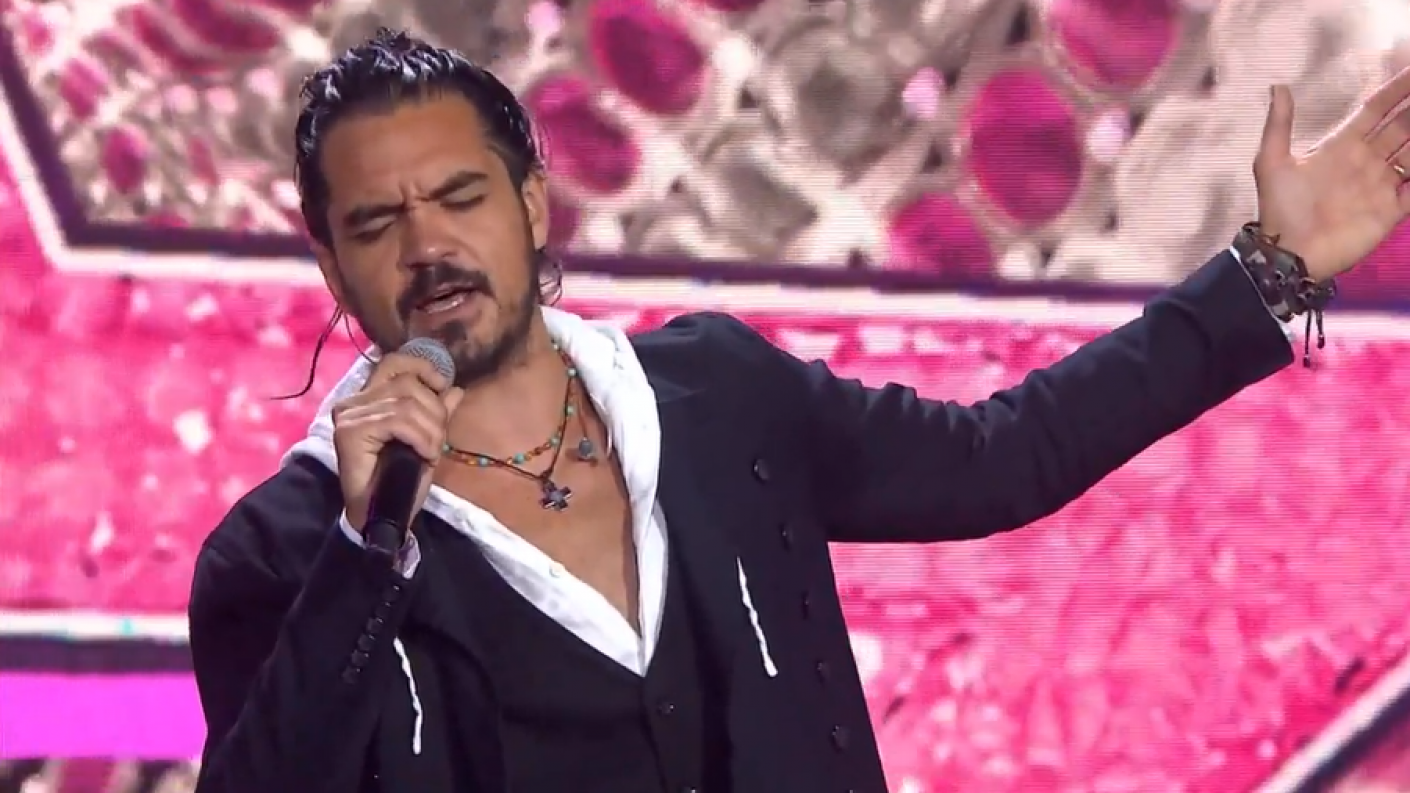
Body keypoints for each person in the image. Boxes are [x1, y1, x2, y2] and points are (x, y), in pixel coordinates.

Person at [187, 28, 1410, 793]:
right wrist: (361, 556)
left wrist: (1268, 273)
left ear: (533, 204)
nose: (428, 250)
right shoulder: (281, 555)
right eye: (377, 223)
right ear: (331, 261)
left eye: (460, 198)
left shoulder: (714, 399)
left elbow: (1006, 454)